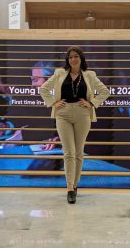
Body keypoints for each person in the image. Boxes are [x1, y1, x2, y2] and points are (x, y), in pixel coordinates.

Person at [40, 46, 110, 204]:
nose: (73, 59)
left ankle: (76, 184)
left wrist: (92, 103)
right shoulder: (59, 73)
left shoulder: (89, 75)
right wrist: (53, 103)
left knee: (78, 153)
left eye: (76, 56)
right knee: (68, 152)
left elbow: (105, 91)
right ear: (67, 59)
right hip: (63, 114)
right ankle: (70, 188)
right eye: (70, 57)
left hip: (82, 114)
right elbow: (44, 89)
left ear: (81, 58)